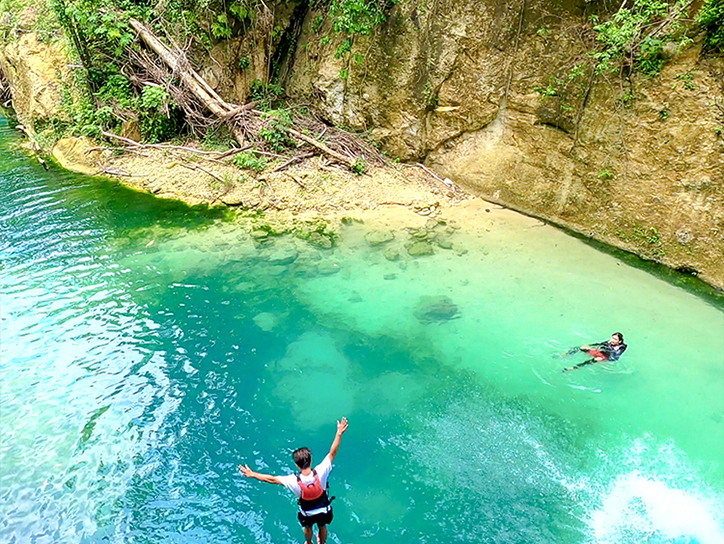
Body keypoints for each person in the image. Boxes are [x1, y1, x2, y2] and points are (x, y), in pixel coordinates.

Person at [239, 417, 349, 544]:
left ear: (297, 465)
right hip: (323, 509)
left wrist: (252, 474)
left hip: (307, 513)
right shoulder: (321, 471)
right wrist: (339, 433)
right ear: (311, 460)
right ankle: (322, 543)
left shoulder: (293, 481)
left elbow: (272, 479)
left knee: (307, 527)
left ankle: (309, 542)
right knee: (322, 526)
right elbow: (332, 452)